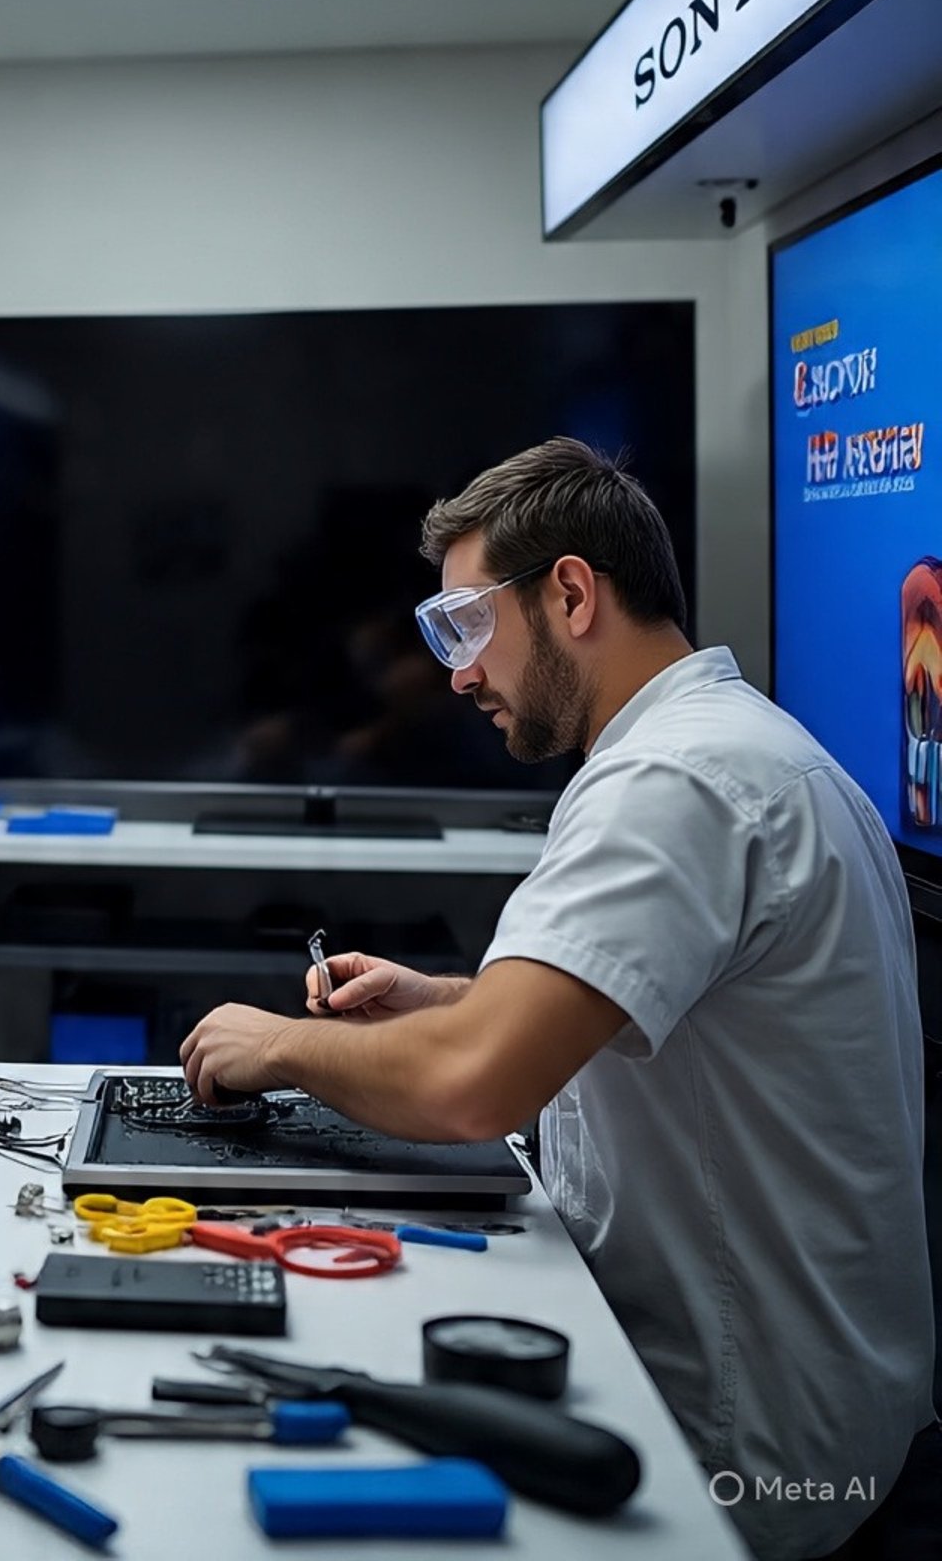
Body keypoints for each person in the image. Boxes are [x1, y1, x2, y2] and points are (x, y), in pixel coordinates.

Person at [179, 437, 935, 1561]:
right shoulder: (743, 747)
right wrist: (449, 1001)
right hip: (826, 1418)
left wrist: (278, 1047)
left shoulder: (672, 782)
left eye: (466, 626)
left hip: (742, 1449)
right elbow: (650, 1016)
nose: (457, 675)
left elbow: (471, 1088)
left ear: (572, 594)